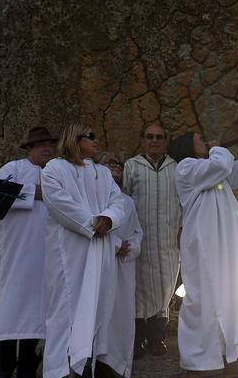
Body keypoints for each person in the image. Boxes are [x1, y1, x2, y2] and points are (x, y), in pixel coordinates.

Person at [168, 122, 238, 378]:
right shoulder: (186, 168)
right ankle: (197, 363)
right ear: (188, 146)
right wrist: (218, 149)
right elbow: (221, 165)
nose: (205, 141)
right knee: (204, 299)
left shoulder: (212, 167)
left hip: (228, 242)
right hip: (204, 242)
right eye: (200, 139)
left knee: (234, 294)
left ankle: (232, 357)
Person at [41, 123, 127, 378]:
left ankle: (86, 364)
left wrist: (108, 219)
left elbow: (118, 201)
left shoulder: (102, 172)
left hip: (99, 250)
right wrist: (93, 223)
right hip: (69, 251)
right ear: (74, 139)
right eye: (91, 136)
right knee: (65, 308)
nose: (97, 140)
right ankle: (58, 369)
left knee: (97, 306)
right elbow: (59, 203)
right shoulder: (54, 169)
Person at [0, 126, 58, 378]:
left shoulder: (56, 173)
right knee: (9, 311)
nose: (47, 149)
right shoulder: (13, 168)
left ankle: (29, 367)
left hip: (45, 256)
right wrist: (35, 193)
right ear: (29, 148)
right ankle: (4, 367)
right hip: (15, 256)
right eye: (42, 145)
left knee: (38, 315)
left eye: (50, 145)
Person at [122, 123, 181, 357]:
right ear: (142, 139)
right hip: (141, 237)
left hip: (167, 237)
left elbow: (183, 199)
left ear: (166, 140)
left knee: (166, 285)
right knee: (138, 287)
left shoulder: (175, 168)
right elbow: (123, 199)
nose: (154, 141)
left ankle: (158, 337)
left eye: (159, 137)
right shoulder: (132, 166)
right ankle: (138, 339)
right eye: (149, 137)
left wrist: (182, 228)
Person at [93, 151, 143, 378]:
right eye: (110, 162)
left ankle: (114, 365)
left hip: (122, 271)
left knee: (118, 318)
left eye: (119, 164)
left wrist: (130, 246)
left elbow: (136, 232)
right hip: (97, 268)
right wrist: (113, 245)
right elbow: (87, 226)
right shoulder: (92, 197)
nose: (117, 166)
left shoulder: (128, 202)